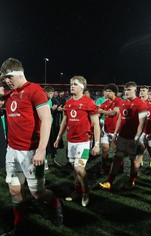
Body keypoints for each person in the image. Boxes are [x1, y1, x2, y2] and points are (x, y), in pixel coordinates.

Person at [0, 57, 63, 236]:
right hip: (12, 151)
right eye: (4, 78)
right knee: (15, 190)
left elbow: (46, 119)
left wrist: (41, 150)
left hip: (32, 151)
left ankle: (56, 204)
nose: (7, 81)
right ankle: (18, 226)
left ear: (19, 73)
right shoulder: (10, 94)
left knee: (37, 193)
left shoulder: (35, 90)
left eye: (9, 77)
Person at [54, 76, 100, 207]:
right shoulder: (68, 103)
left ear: (81, 87)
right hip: (71, 141)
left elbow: (96, 124)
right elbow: (65, 121)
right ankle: (77, 191)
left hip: (84, 141)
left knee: (79, 168)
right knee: (75, 169)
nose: (71, 86)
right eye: (71, 84)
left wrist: (96, 144)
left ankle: (85, 192)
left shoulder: (89, 102)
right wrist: (58, 137)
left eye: (74, 84)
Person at [99, 81, 147, 190]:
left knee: (133, 161)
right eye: (125, 89)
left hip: (133, 138)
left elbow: (142, 124)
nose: (126, 91)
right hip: (122, 136)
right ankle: (109, 182)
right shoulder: (124, 103)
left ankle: (131, 181)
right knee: (117, 159)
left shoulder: (141, 104)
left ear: (135, 90)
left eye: (129, 89)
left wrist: (136, 138)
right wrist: (116, 133)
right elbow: (120, 118)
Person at [98, 83, 122, 174]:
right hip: (106, 130)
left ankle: (120, 164)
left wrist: (102, 111)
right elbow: (98, 117)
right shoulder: (104, 103)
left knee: (116, 150)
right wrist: (100, 129)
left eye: (109, 91)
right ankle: (103, 166)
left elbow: (114, 113)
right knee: (104, 149)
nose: (107, 93)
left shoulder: (119, 101)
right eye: (106, 91)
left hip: (116, 131)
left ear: (114, 92)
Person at [44, 86, 62, 168]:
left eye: (52, 93)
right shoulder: (42, 101)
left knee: (53, 143)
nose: (52, 95)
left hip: (52, 125)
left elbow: (58, 105)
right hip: (44, 126)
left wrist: (58, 108)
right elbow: (43, 113)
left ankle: (53, 159)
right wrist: (52, 110)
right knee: (46, 144)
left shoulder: (53, 99)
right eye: (50, 93)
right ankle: (45, 161)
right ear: (46, 93)